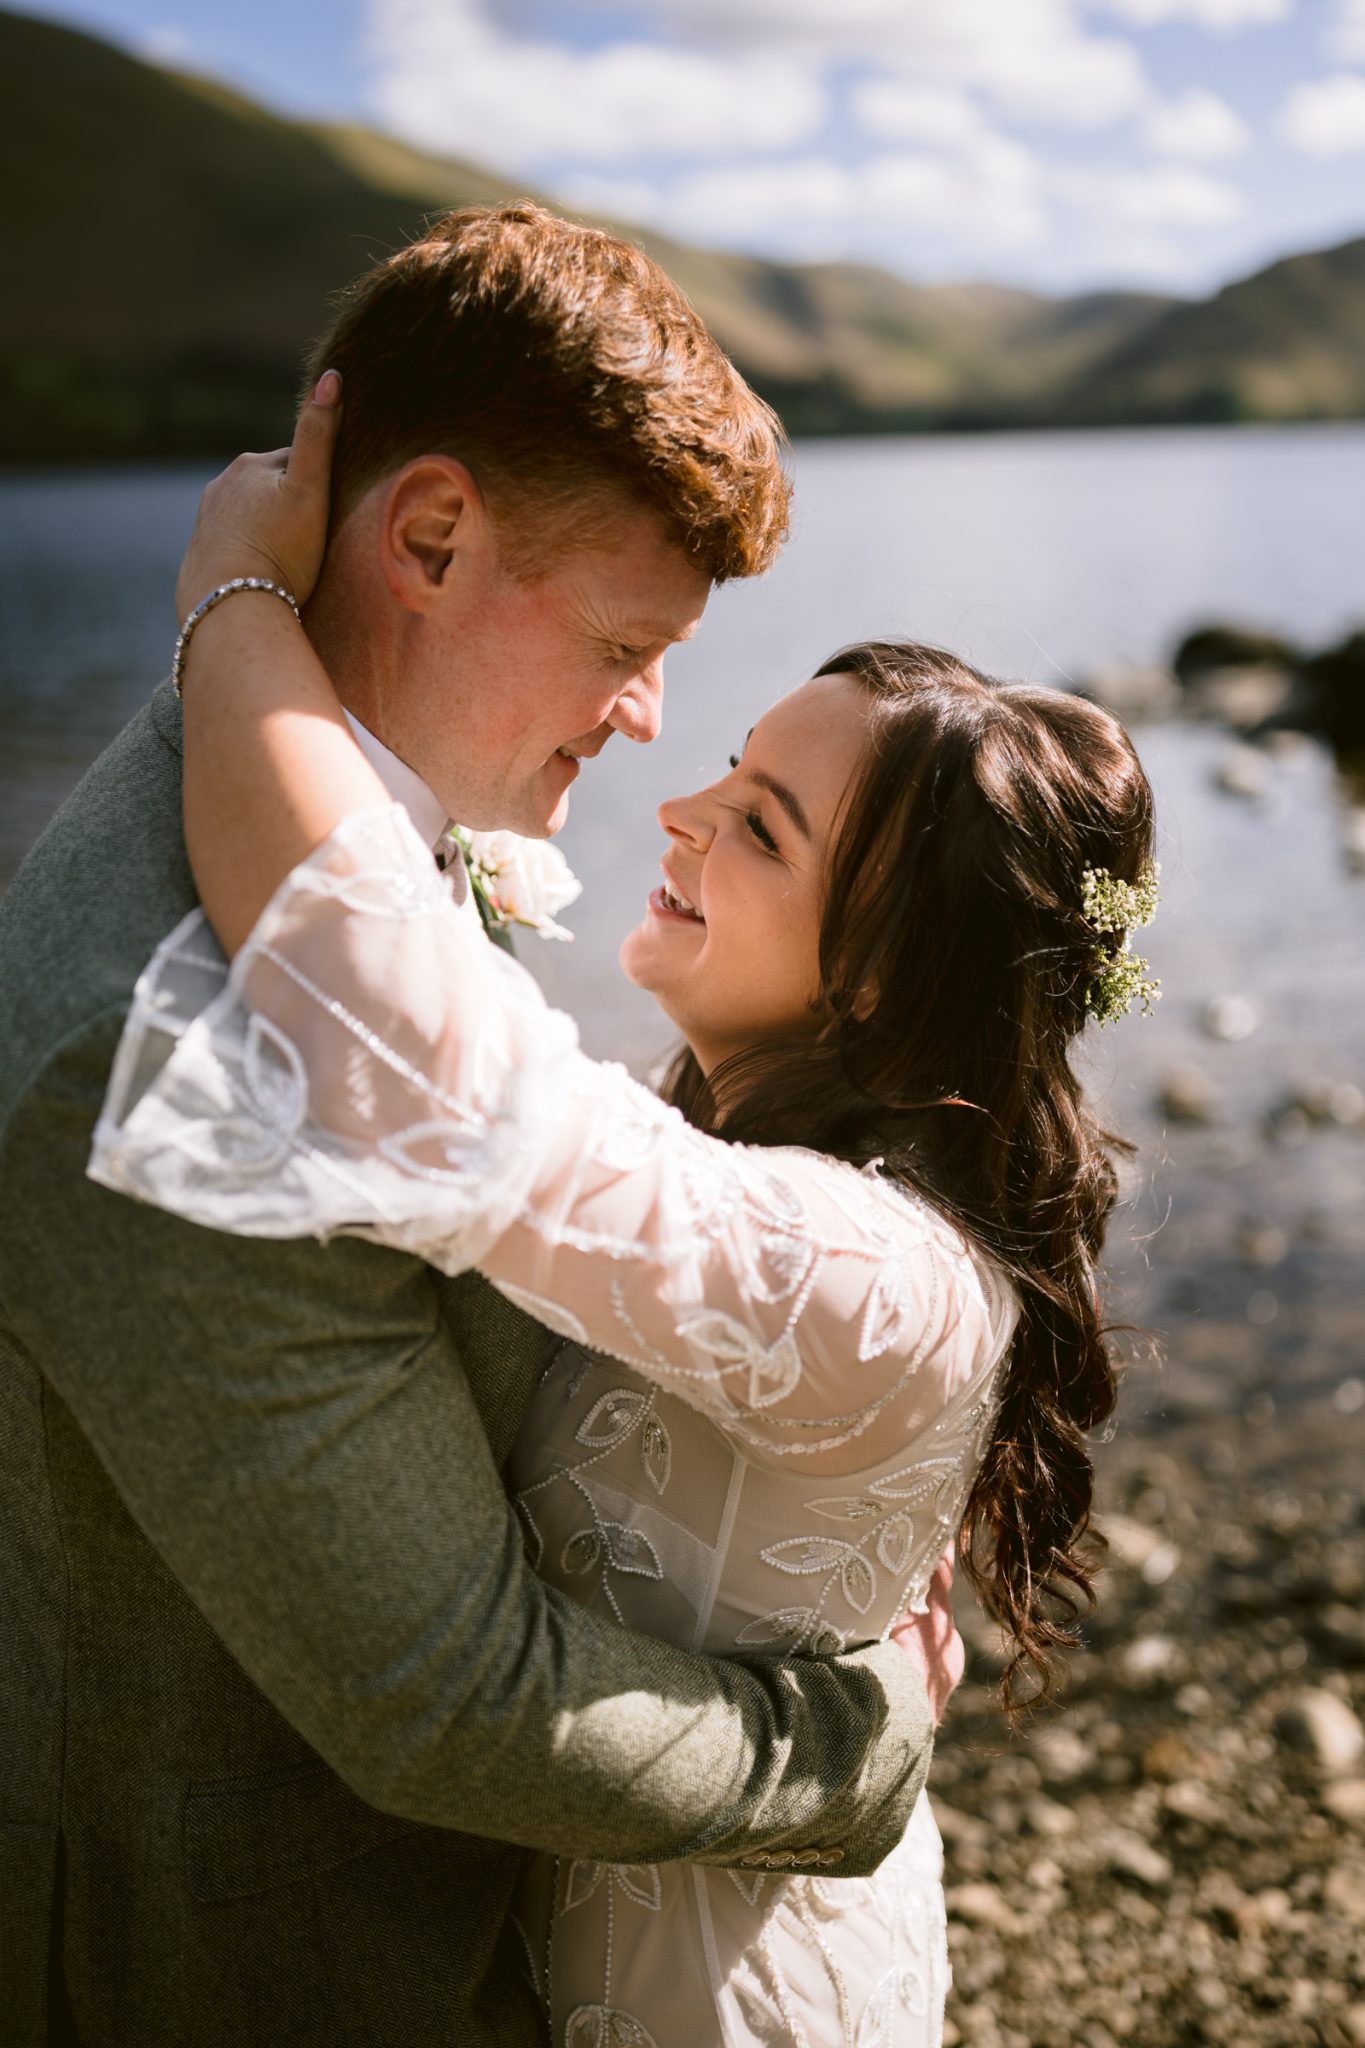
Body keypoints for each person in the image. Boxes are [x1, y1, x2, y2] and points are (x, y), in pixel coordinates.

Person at [87, 379, 1159, 2046]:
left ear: (879, 981)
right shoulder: (755, 1170)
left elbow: (389, 1044)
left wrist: (229, 599)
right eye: (732, 767)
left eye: (762, 827)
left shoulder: (866, 1276)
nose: (680, 808)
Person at [0, 207, 957, 2048]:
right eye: (622, 636)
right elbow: (446, 1697)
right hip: (248, 1965)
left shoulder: (326, 809)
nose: (649, 717)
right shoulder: (166, 1055)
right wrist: (850, 1752)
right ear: (428, 534)